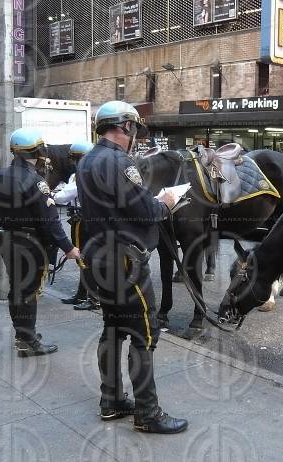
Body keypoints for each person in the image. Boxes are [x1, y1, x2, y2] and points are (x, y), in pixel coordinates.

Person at [76, 101, 188, 434]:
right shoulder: (119, 162)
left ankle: (111, 400)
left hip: (100, 261)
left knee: (112, 328)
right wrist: (165, 203)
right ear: (125, 127)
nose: (135, 135)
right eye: (134, 128)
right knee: (143, 335)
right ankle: (148, 414)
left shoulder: (87, 160)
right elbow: (143, 211)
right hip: (126, 263)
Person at [0, 128, 80, 356]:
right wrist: (68, 248)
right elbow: (50, 221)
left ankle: (23, 334)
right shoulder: (36, 181)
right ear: (37, 151)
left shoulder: (0, 176)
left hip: (7, 240)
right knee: (28, 292)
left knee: (17, 289)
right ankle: (27, 342)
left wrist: (5, 221)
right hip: (30, 245)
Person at [55, 140, 99, 311]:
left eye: (77, 158)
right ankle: (82, 295)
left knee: (88, 259)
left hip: (85, 220)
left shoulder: (87, 174)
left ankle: (94, 299)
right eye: (73, 158)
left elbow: (65, 195)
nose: (74, 162)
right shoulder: (77, 174)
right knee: (82, 258)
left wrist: (52, 195)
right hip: (77, 219)